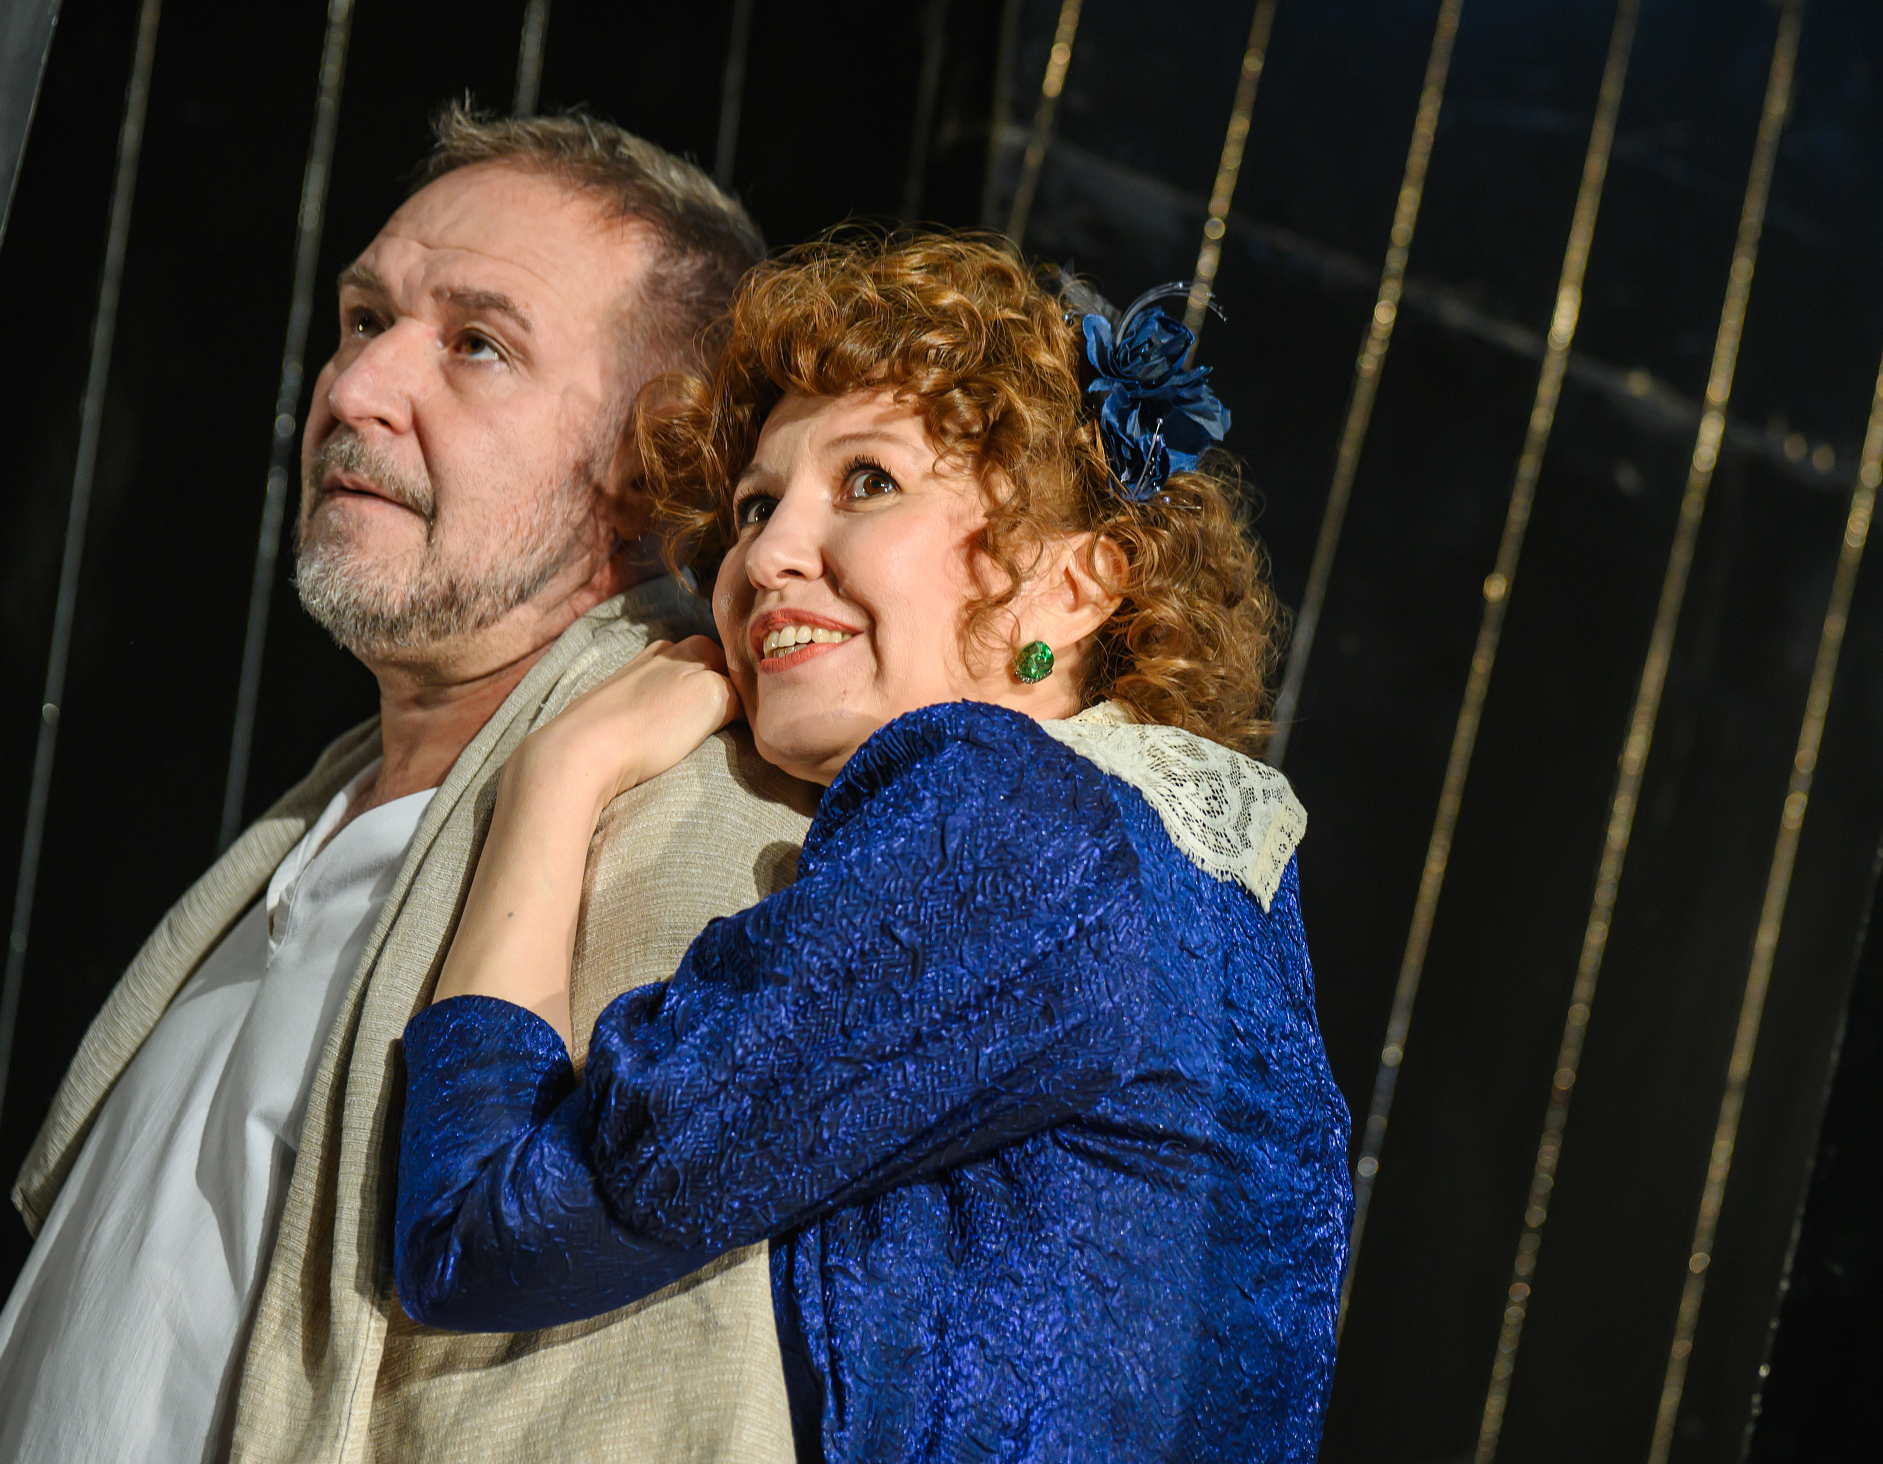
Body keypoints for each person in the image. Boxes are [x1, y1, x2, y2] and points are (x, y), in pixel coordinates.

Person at [0, 107, 814, 1464]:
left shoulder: (694, 862)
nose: (355, 391)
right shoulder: (323, 812)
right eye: (363, 319)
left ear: (662, 466)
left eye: (478, 344)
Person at [393, 234, 1354, 1460]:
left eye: (867, 482)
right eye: (754, 507)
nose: (762, 558)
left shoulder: (1014, 825)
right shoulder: (1194, 895)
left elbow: (479, 1236)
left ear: (1073, 587)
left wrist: (553, 776)